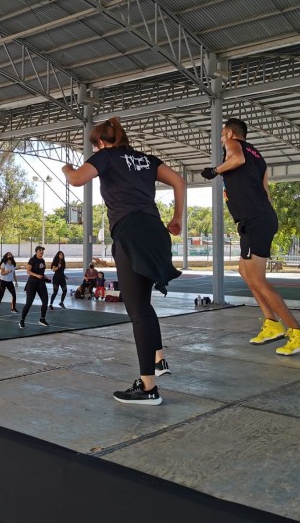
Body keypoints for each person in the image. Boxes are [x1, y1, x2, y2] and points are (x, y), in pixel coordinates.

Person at [63, 116, 183, 405]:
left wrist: (67, 168)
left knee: (137, 309)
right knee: (144, 303)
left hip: (130, 233)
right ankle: (158, 360)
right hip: (155, 231)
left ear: (101, 142)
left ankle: (148, 389)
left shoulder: (107, 156)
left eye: (96, 144)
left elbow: (78, 179)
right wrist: (177, 217)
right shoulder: (146, 159)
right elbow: (179, 180)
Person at [200, 117, 300, 356]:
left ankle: (299, 332)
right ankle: (272, 324)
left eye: (223, 135)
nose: (222, 139)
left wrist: (214, 170)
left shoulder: (235, 146)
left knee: (258, 280)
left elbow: (237, 159)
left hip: (255, 220)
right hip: (257, 219)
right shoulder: (259, 157)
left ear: (231, 133)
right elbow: (265, 191)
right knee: (245, 272)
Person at [18, 246, 49, 329]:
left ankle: (42, 319)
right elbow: (28, 271)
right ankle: (22, 320)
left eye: (42, 250)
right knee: (29, 303)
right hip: (32, 283)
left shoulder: (42, 260)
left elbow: (41, 272)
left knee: (45, 301)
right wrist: (36, 275)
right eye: (40, 250)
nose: (41, 252)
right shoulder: (32, 260)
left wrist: (46, 277)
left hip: (41, 283)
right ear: (36, 251)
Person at [0, 252, 18, 317]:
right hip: (3, 282)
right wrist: (7, 271)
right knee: (1, 296)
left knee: (14, 294)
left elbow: (14, 274)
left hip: (10, 282)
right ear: (6, 256)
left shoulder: (13, 265)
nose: (10, 255)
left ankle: (13, 308)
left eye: (11, 254)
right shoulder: (4, 264)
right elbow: (2, 273)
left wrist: (16, 281)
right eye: (8, 254)